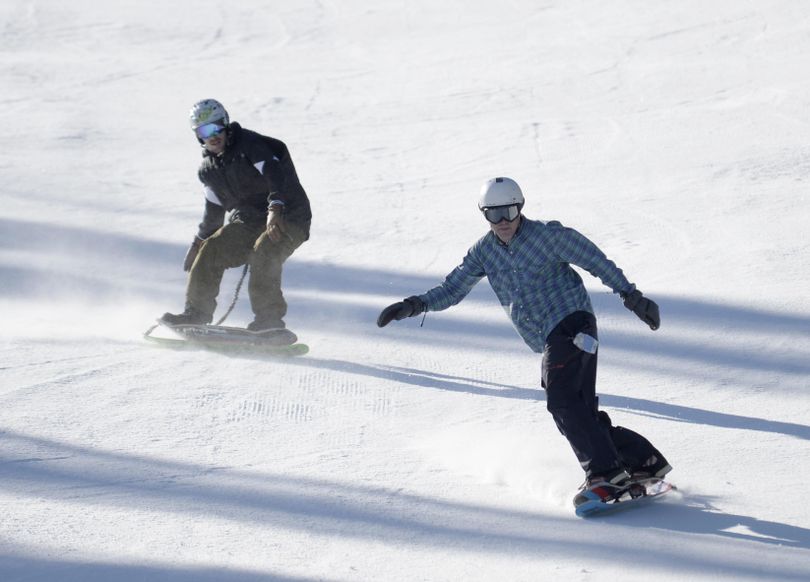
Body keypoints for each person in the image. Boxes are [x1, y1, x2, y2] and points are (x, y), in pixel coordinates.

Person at [376, 177, 670, 508]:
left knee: (561, 400)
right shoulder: (484, 252)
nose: (502, 222)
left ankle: (605, 474)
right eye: (493, 214)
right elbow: (453, 288)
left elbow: (594, 260)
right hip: (550, 337)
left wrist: (631, 295)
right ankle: (643, 461)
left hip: (572, 322)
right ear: (484, 215)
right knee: (575, 410)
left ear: (520, 208)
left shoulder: (549, 236)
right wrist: (414, 305)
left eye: (509, 211)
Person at [162, 99, 311, 333]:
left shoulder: (250, 145)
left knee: (265, 252)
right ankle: (196, 314)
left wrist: (275, 209)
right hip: (250, 220)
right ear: (198, 136)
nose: (212, 136)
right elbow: (213, 213)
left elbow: (274, 173)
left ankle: (269, 323)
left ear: (226, 124)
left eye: (216, 127)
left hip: (289, 216)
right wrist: (198, 243)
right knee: (211, 249)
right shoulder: (209, 170)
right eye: (204, 131)